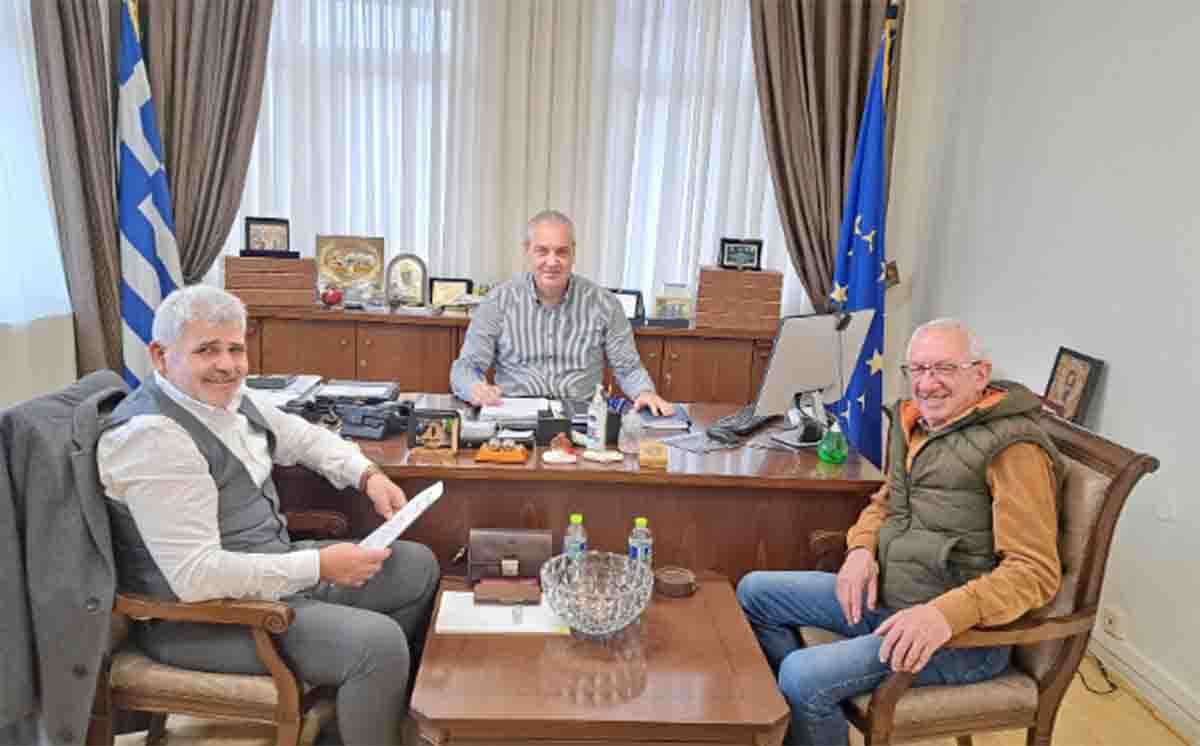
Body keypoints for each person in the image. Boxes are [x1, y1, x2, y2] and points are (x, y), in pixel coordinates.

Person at [99, 285, 440, 746]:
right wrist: (319, 566)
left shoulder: (227, 397)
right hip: (204, 620)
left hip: (268, 575)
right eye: (207, 350)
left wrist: (367, 475)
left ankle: (351, 721)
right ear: (161, 356)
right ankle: (365, 701)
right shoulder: (153, 438)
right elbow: (196, 577)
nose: (227, 364)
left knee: (415, 567)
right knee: (377, 645)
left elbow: (303, 437)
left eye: (235, 349)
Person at [736, 318, 1063, 746]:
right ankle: (810, 724)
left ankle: (811, 707)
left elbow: (1035, 572)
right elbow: (887, 504)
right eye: (918, 370)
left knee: (801, 675)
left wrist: (944, 615)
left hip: (958, 638)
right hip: (888, 598)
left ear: (980, 374)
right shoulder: (918, 424)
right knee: (755, 592)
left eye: (944, 368)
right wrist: (860, 551)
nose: (927, 384)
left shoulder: (1014, 449)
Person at [449, 210, 673, 415]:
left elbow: (628, 368)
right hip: (514, 419)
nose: (552, 261)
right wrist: (474, 388)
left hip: (583, 420)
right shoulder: (497, 302)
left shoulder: (605, 304)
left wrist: (644, 392)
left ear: (573, 253)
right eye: (542, 251)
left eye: (562, 252)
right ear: (527, 251)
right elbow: (466, 367)